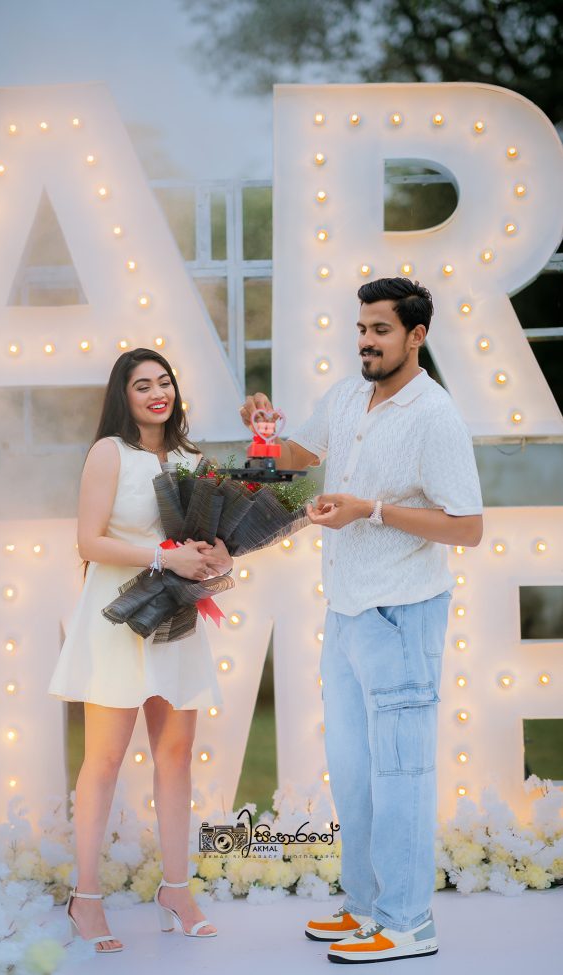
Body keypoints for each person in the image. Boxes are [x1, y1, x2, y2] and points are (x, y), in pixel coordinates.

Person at [240, 278, 483, 964]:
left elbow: (466, 526)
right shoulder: (349, 396)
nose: (366, 341)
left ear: (416, 336)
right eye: (361, 328)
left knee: (401, 772)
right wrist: (264, 432)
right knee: (353, 770)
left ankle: (409, 924)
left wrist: (370, 510)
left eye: (380, 329)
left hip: (403, 613)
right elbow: (297, 457)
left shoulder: (435, 415)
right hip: (346, 611)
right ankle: (369, 907)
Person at [49, 348, 232, 952]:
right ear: (123, 397)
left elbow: (206, 543)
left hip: (176, 617)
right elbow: (89, 541)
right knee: (103, 760)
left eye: (165, 382)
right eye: (143, 385)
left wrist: (218, 558)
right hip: (117, 619)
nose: (158, 393)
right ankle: (86, 898)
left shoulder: (192, 460)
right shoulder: (110, 453)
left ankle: (176, 890)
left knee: (176, 756)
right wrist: (162, 557)